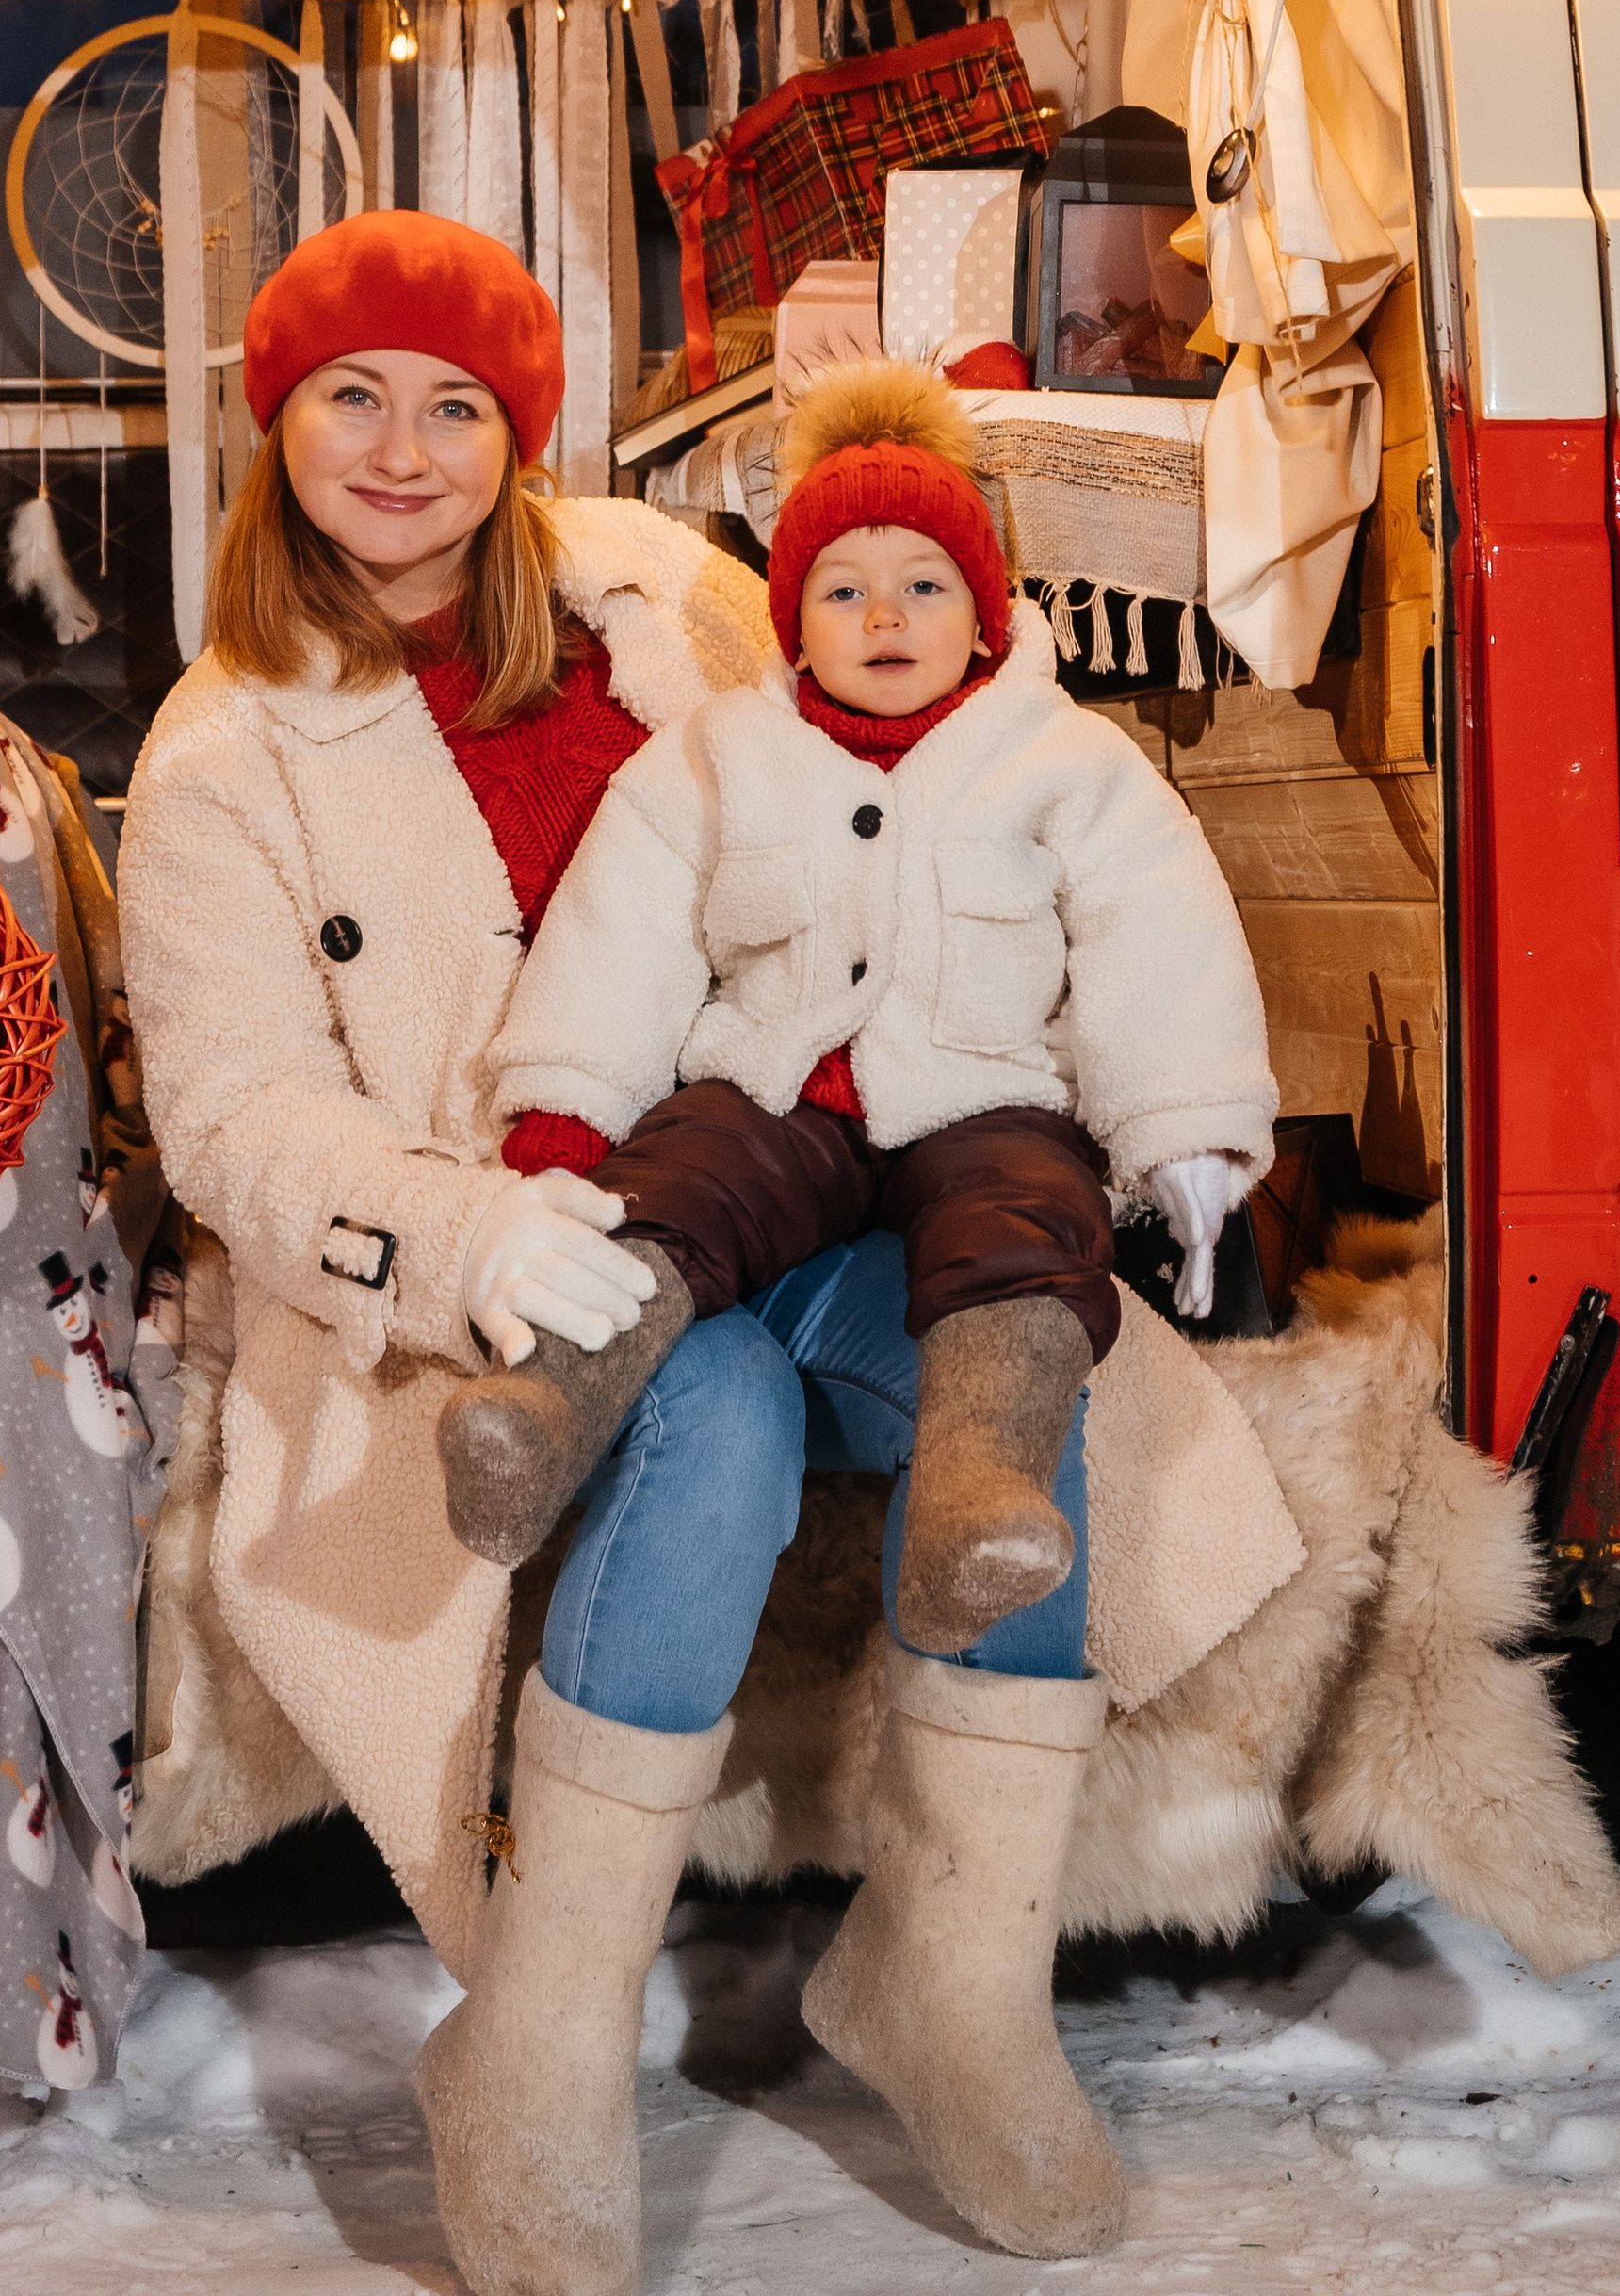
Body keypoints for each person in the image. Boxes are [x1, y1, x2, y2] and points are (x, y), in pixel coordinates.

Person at [117, 213, 1289, 2296]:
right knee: (723, 1407)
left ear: (520, 433)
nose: (403, 450)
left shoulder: (655, 595)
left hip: (813, 1173)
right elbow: (231, 1117)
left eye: (456, 405)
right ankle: (543, 2049)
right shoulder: (221, 754)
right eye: (350, 397)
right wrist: (475, 1228)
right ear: (270, 419)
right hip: (501, 1258)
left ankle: (950, 1986)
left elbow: (897, 753)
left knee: (1010, 1381)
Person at [437, 362, 1272, 1669]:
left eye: (924, 586)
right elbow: (626, 928)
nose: (885, 614)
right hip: (774, 1084)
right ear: (793, 622)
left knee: (1032, 1232)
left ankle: (979, 1499)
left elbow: (1156, 937)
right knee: (672, 1184)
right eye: (843, 590)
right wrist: (562, 1114)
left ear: (985, 612)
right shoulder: (721, 750)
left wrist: (1188, 1129)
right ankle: (543, 1413)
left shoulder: (1067, 760)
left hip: (985, 1088)